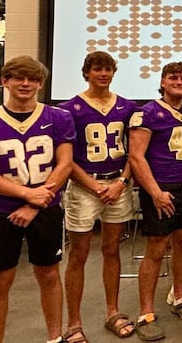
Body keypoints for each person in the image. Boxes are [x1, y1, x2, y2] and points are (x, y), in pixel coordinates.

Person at [0, 56, 75, 343]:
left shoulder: (59, 118)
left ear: (40, 84)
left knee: (49, 274)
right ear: (4, 81)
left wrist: (34, 204)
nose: (25, 83)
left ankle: (55, 338)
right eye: (18, 77)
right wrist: (27, 194)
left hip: (46, 209)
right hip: (3, 210)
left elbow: (64, 165)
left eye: (32, 79)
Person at [59, 52, 137, 341]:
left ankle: (112, 311)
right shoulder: (70, 109)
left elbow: (135, 152)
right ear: (86, 73)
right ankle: (74, 322)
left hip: (117, 184)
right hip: (84, 187)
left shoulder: (127, 107)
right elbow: (65, 158)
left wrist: (122, 181)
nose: (103, 74)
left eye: (107, 69)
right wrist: (93, 186)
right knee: (78, 253)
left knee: (112, 249)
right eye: (97, 69)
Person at [128, 62, 182, 340]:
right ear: (162, 82)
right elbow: (136, 156)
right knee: (157, 249)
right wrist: (154, 192)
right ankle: (146, 312)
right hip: (162, 187)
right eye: (173, 77)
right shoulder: (147, 113)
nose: (179, 82)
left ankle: (180, 296)